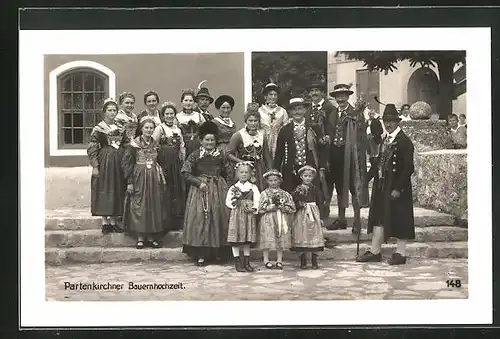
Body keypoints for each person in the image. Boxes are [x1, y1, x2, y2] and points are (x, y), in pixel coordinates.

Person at [356, 104, 415, 265]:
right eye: (386, 121)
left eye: (391, 121)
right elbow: (378, 164)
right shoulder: (385, 139)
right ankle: (375, 251)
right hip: (382, 185)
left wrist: (398, 188)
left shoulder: (404, 141)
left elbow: (408, 168)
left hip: (397, 187)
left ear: (398, 122)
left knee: (401, 218)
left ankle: (400, 253)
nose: (388, 124)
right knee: (379, 217)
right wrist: (364, 180)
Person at [181, 121, 232, 266]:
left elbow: (228, 172)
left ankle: (217, 253)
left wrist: (226, 187)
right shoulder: (195, 155)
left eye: (212, 140)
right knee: (201, 219)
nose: (210, 143)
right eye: (207, 140)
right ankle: (201, 254)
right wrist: (198, 183)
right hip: (200, 190)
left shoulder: (220, 155)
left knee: (218, 218)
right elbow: (185, 172)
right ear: (201, 141)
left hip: (218, 190)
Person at [323, 84, 369, 234]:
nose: (341, 99)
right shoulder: (331, 114)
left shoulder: (356, 113)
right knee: (339, 187)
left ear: (348, 97)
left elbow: (362, 133)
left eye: (343, 95)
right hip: (335, 155)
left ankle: (357, 221)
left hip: (351, 155)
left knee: (353, 188)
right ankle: (341, 219)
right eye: (338, 96)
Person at [274, 97, 328, 209]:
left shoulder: (314, 128)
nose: (297, 112)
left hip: (310, 170)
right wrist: (276, 172)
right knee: (292, 199)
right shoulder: (285, 130)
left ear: (304, 110)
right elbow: (279, 153)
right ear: (289, 112)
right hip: (291, 170)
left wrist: (322, 168)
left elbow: (321, 150)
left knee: (311, 199)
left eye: (299, 108)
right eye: (294, 109)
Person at [122, 118, 166, 249]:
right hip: (139, 177)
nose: (149, 130)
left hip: (153, 178)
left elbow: (161, 161)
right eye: (146, 128)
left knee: (152, 205)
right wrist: (130, 181)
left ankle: (151, 237)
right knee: (139, 205)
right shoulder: (134, 144)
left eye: (151, 128)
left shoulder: (156, 144)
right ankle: (140, 237)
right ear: (141, 129)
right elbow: (126, 163)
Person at [87, 98, 128, 234]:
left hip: (119, 160)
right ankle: (105, 221)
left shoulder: (121, 127)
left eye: (114, 110)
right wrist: (95, 166)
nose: (112, 113)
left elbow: (126, 143)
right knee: (105, 187)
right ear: (104, 112)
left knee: (117, 187)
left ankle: (114, 220)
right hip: (105, 160)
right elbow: (92, 147)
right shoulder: (99, 128)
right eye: (109, 110)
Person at [152, 101, 186, 231]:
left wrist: (182, 160)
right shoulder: (159, 128)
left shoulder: (178, 129)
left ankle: (176, 220)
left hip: (176, 164)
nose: (170, 116)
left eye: (172, 113)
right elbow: (153, 145)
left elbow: (182, 146)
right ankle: (165, 221)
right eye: (167, 114)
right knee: (166, 190)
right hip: (164, 163)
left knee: (177, 189)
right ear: (163, 115)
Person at [227, 103, 272, 192]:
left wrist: (270, 171)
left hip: (259, 169)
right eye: (250, 121)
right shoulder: (239, 135)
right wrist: (242, 162)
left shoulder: (262, 135)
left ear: (259, 122)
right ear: (245, 121)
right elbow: (228, 154)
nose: (253, 123)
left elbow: (267, 156)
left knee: (258, 191)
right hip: (243, 169)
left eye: (255, 121)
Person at [225, 162, 261, 272]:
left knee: (247, 238)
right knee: (236, 238)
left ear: (250, 174)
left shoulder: (253, 187)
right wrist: (235, 203)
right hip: (237, 215)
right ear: (237, 173)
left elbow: (258, 200)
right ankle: (237, 262)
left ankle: (246, 262)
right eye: (241, 172)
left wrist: (254, 208)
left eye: (246, 172)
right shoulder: (234, 187)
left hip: (248, 215)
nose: (244, 174)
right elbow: (228, 201)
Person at [258, 169, 296, 270]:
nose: (273, 182)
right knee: (267, 238)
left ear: (280, 180)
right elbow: (260, 208)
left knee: (280, 237)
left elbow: (292, 207)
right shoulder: (264, 194)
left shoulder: (285, 194)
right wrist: (269, 208)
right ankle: (266, 259)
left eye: (275, 180)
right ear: (267, 181)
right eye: (271, 180)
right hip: (268, 219)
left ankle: (279, 260)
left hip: (280, 217)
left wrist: (284, 208)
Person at [291, 165, 325, 269]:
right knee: (302, 233)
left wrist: (321, 217)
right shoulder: (297, 189)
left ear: (313, 177)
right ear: (301, 176)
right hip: (301, 214)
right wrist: (298, 205)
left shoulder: (315, 189)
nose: (307, 178)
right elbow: (293, 201)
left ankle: (314, 260)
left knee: (313, 233)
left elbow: (320, 202)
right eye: (305, 176)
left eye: (310, 176)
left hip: (313, 214)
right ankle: (303, 260)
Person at [258, 82, 289, 158]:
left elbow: (286, 128)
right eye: (270, 94)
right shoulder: (259, 111)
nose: (273, 97)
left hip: (278, 141)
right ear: (265, 96)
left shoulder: (282, 111)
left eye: (275, 95)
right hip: (263, 141)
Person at [212, 95, 237, 184]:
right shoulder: (215, 122)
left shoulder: (232, 123)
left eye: (228, 108)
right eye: (223, 107)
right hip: (221, 150)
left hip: (232, 150)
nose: (226, 110)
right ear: (219, 108)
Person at [176, 88, 206, 157]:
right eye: (186, 100)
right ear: (182, 102)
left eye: (190, 100)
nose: (188, 103)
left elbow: (205, 132)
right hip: (183, 147)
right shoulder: (177, 117)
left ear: (194, 102)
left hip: (198, 146)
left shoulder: (199, 116)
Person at [306, 81, 335, 147]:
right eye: (312, 91)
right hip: (311, 148)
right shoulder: (307, 112)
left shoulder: (331, 108)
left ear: (322, 93)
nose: (314, 93)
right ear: (309, 94)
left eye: (316, 90)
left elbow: (333, 127)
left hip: (327, 146)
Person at [366, 109, 384, 182]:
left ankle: (372, 174)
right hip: (367, 140)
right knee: (370, 155)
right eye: (370, 114)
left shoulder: (376, 121)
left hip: (374, 140)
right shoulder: (366, 122)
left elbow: (381, 131)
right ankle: (374, 170)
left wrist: (374, 135)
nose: (371, 115)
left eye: (372, 114)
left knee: (375, 158)